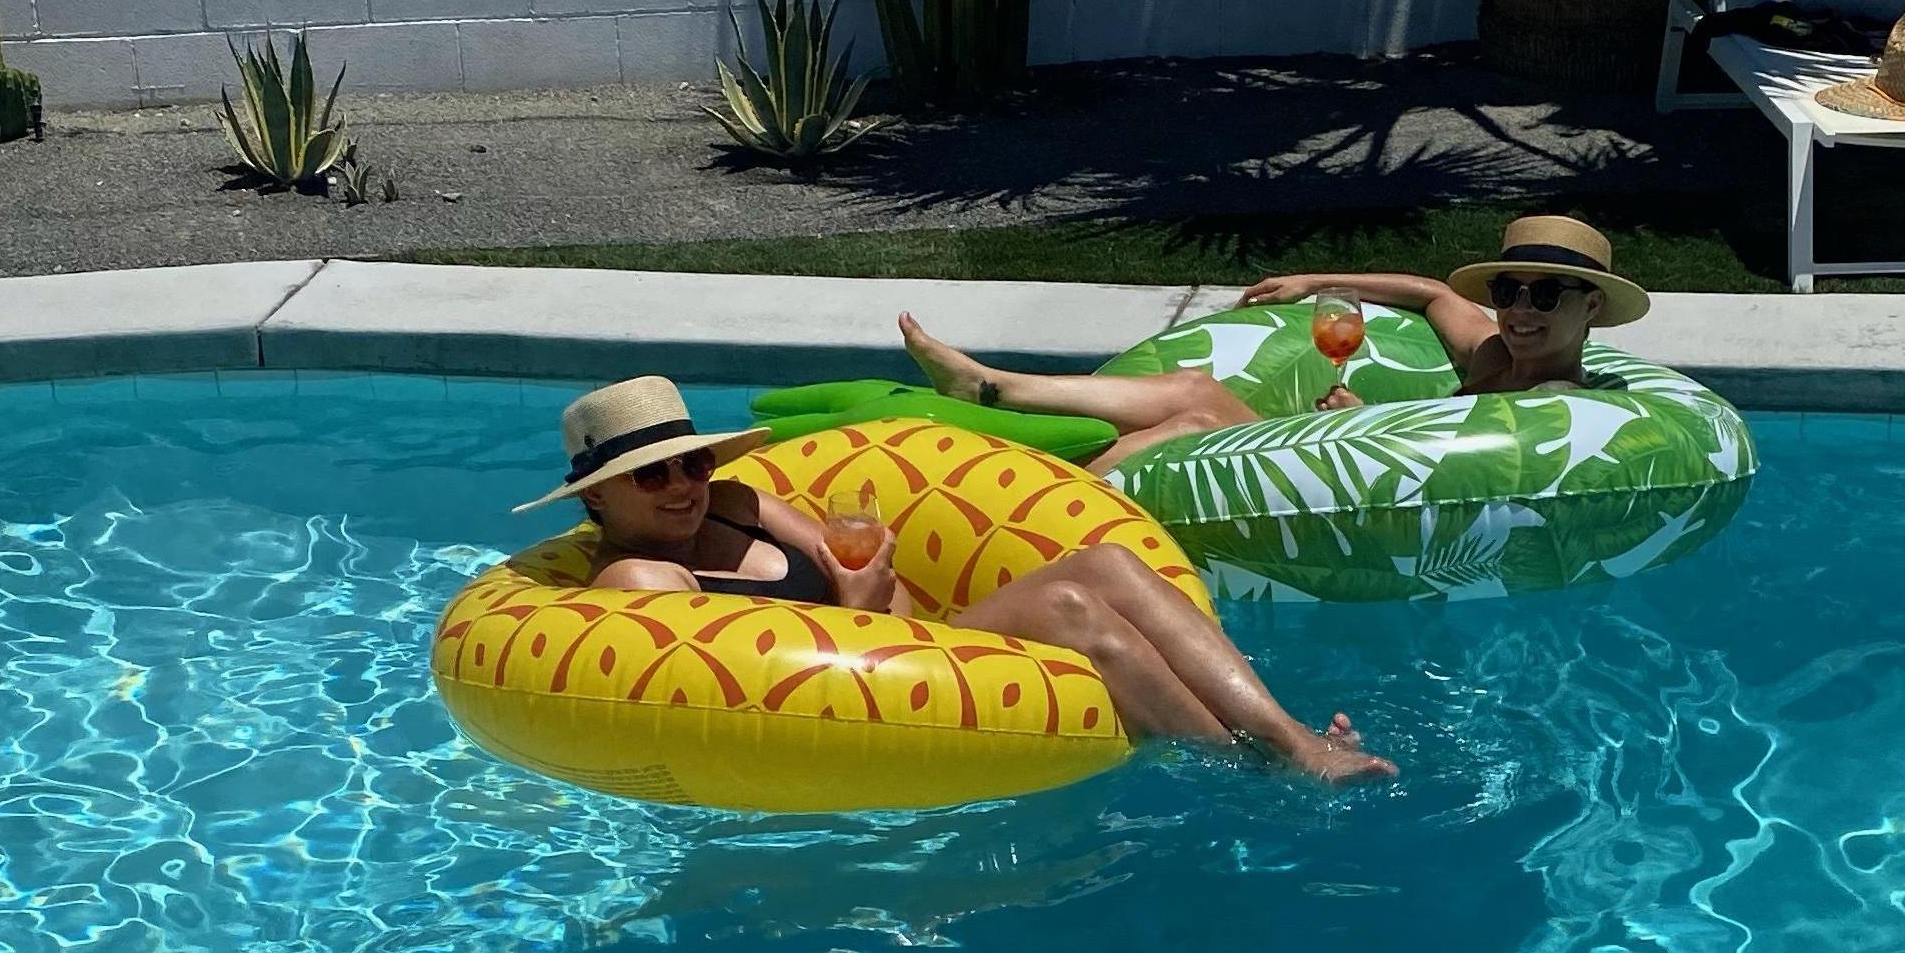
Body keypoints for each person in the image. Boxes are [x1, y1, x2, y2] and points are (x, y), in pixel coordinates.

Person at [515, 377, 1394, 784]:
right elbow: (739, 688)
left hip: (917, 652)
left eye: (692, 461)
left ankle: (1280, 740)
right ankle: (1274, 759)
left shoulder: (740, 502)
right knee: (1070, 604)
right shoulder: (639, 580)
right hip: (859, 696)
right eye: (653, 476)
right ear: (597, 497)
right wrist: (867, 604)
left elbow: (865, 568)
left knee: (1109, 565)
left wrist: (874, 598)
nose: (684, 487)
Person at [895, 213, 1652, 477]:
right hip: (1349, 450)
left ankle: (992, 388)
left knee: (1195, 401)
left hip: (1360, 491)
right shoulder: (1493, 356)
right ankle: (1019, 465)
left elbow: (1458, 460)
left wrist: (1360, 423)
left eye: (1544, 295)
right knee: (1190, 420)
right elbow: (1430, 292)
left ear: (1591, 307)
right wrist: (1310, 280)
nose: (1519, 309)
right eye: (1510, 290)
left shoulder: (1561, 407)